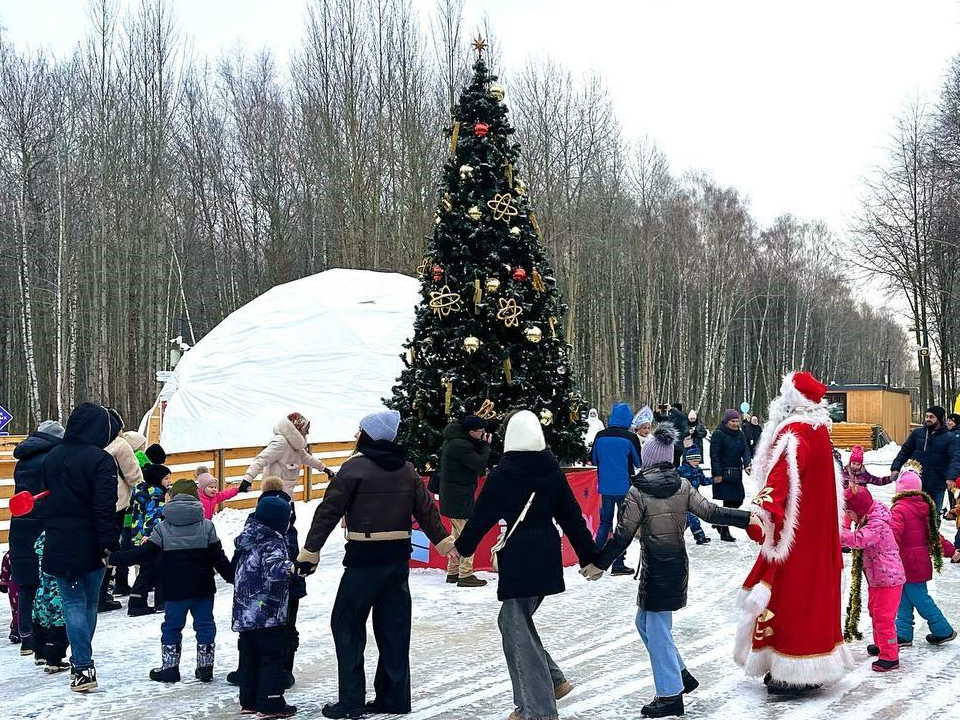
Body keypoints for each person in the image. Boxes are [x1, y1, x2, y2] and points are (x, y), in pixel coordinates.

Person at [581, 423, 753, 718]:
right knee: (645, 624)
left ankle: (670, 695)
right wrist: (748, 518)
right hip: (673, 567)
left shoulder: (638, 491)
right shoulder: (682, 485)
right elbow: (712, 512)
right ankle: (680, 675)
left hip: (657, 569)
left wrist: (598, 564)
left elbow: (622, 535)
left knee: (657, 630)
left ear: (647, 458)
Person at [295, 409, 457, 719]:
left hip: (363, 560)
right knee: (394, 629)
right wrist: (444, 543)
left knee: (346, 624)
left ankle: (352, 700)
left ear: (369, 435)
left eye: (359, 430)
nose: (356, 435)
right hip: (396, 561)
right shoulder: (407, 470)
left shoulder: (353, 470)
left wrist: (310, 551)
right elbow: (427, 511)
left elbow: (328, 512)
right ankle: (394, 698)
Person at [455, 410, 597, 720]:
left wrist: (463, 548)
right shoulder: (551, 471)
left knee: (515, 625)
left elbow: (482, 517)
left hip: (519, 556)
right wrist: (589, 557)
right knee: (513, 622)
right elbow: (571, 517)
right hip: (546, 552)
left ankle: (538, 710)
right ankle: (553, 683)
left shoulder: (503, 475)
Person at [735, 372, 853, 696]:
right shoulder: (820, 432)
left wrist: (761, 512)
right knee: (816, 597)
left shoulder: (793, 432)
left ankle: (789, 671)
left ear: (791, 399)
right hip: (819, 535)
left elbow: (779, 479)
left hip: (795, 538)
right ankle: (813, 666)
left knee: (790, 598)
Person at [110, 479, 233, 683]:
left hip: (175, 589)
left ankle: (170, 669)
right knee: (205, 625)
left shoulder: (162, 528)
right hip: (203, 588)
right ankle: (205, 667)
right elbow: (218, 558)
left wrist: (113, 559)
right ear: (195, 498)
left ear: (172, 497)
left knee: (172, 627)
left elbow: (145, 553)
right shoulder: (207, 527)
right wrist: (235, 577)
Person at [41, 401, 123, 692]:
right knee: (86, 604)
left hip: (59, 540)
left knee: (74, 603)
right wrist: (109, 544)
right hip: (90, 542)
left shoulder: (52, 457)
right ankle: (82, 662)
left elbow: (46, 499)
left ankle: (82, 666)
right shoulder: (100, 459)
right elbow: (105, 506)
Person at [226, 476, 306, 691]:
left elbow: (241, 553)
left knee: (250, 635)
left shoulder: (255, 522)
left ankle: (247, 673)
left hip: (250, 595)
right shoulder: (281, 526)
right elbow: (287, 560)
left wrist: (232, 574)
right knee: (281, 632)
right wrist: (296, 571)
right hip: (280, 591)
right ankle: (282, 673)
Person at [233, 496, 298, 718]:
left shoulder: (248, 539)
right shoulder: (274, 542)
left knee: (249, 655)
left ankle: (249, 700)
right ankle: (271, 702)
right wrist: (294, 568)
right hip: (268, 611)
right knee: (272, 655)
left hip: (245, 612)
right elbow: (274, 570)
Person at [9, 419, 63, 652]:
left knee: (26, 581)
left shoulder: (22, 459)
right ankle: (44, 637)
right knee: (45, 582)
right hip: (43, 522)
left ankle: (26, 637)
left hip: (21, 523)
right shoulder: (53, 459)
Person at [889, 469, 957, 648]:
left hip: (907, 563)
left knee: (920, 599)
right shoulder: (924, 507)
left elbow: (893, 534)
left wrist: (884, 549)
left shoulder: (899, 509)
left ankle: (943, 630)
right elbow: (934, 536)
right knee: (903, 599)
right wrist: (950, 550)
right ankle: (903, 634)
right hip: (916, 564)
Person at [841, 485, 906, 672]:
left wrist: (837, 532)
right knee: (875, 613)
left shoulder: (877, 523)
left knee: (884, 618)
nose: (848, 516)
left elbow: (858, 540)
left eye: (849, 513)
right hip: (877, 577)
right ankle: (882, 645)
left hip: (889, 579)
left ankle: (890, 656)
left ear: (857, 510)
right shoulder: (868, 515)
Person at [438, 414, 492, 587]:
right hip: (459, 497)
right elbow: (478, 464)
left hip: (453, 495)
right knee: (468, 535)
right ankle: (465, 574)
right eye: (481, 432)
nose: (484, 434)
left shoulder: (455, 440)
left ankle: (453, 571)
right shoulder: (460, 445)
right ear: (471, 431)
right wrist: (485, 446)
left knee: (457, 535)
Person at [591, 402, 642, 575]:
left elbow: (594, 460)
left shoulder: (600, 435)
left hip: (605, 486)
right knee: (622, 525)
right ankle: (618, 562)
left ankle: (595, 557)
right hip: (624, 488)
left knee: (604, 523)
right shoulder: (630, 438)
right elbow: (638, 462)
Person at [100, 415, 145, 612]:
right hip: (117, 503)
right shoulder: (120, 445)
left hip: (92, 503)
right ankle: (102, 594)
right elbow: (134, 476)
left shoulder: (91, 443)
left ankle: (96, 592)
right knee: (111, 548)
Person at [890, 405, 960, 522]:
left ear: (939, 419)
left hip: (937, 483)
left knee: (933, 515)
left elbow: (955, 458)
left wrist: (951, 477)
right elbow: (905, 451)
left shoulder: (950, 438)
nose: (928, 419)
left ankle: (932, 539)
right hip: (915, 482)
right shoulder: (917, 434)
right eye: (926, 416)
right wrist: (895, 467)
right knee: (913, 514)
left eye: (931, 417)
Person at [241, 412, 334, 498]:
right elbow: (260, 460)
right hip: (275, 494)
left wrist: (325, 469)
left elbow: (307, 459)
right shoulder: (281, 442)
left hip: (287, 494)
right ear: (297, 428)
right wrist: (247, 480)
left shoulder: (295, 445)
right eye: (306, 429)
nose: (308, 433)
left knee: (291, 516)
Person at [127, 464, 173, 616]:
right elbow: (153, 517)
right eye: (166, 478)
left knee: (146, 571)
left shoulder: (140, 489)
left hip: (137, 535)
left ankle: (136, 603)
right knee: (160, 569)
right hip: (151, 538)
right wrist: (151, 535)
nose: (168, 481)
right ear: (157, 479)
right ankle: (161, 602)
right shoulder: (156, 493)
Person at [708, 409, 752, 541]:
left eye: (737, 420)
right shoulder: (718, 434)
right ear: (726, 421)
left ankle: (719, 521)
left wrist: (747, 463)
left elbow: (745, 450)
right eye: (732, 421)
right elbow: (714, 455)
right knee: (728, 502)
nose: (735, 423)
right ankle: (724, 531)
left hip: (736, 472)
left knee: (739, 499)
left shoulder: (740, 434)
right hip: (723, 472)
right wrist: (717, 473)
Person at [32, 531, 70, 673]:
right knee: (59, 627)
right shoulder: (61, 537)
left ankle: (40, 653)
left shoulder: (43, 538)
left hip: (42, 591)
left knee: (41, 624)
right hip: (57, 592)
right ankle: (54, 659)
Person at [677, 447, 712, 545]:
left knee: (688, 520)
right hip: (684, 498)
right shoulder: (681, 470)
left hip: (695, 498)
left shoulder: (698, 470)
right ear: (688, 460)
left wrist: (714, 480)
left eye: (698, 461)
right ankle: (700, 538)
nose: (696, 462)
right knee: (693, 519)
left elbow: (703, 481)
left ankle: (676, 535)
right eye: (694, 460)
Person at [0, 550, 19, 645]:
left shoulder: (10, 554)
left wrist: (4, 581)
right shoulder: (36, 550)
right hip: (33, 581)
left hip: (14, 584)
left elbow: (5, 570)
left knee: (17, 608)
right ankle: (19, 629)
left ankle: (16, 628)